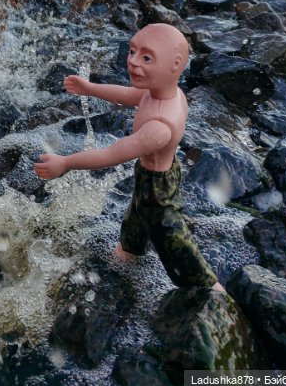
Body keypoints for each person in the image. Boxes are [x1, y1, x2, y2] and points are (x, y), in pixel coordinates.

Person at [33, 23, 224, 291]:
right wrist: (90, 88)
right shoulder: (167, 93)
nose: (133, 61)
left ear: (175, 64)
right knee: (136, 216)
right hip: (155, 175)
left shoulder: (159, 126)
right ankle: (129, 251)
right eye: (132, 51)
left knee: (173, 238)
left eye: (146, 58)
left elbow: (112, 154)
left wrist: (65, 163)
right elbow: (126, 95)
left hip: (157, 190)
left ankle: (210, 289)